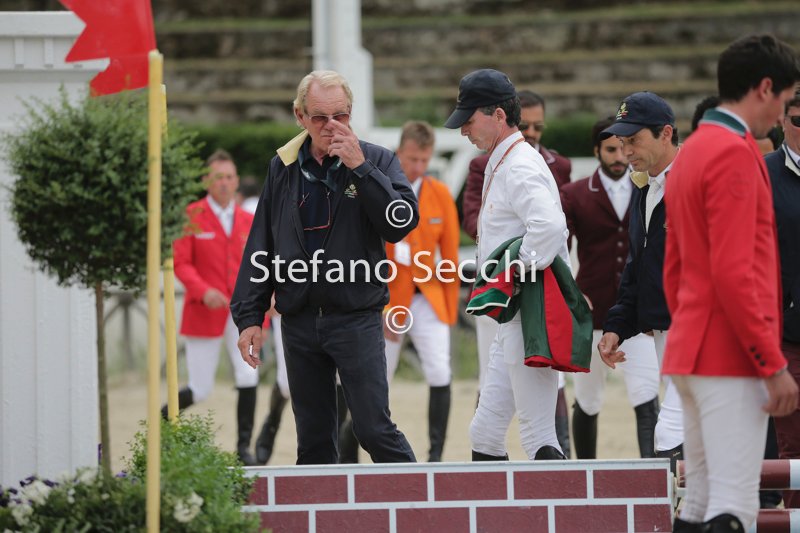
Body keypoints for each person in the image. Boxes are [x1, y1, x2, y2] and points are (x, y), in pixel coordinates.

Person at [230, 70, 418, 465]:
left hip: (356, 316)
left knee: (373, 430)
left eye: (341, 115)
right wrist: (249, 316)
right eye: (319, 117)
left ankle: (423, 500)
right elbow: (261, 242)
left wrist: (361, 168)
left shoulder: (378, 159)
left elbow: (400, 223)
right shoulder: (281, 166)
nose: (332, 125)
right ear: (299, 115)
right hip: (298, 321)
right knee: (313, 445)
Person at [661, 34, 800, 532]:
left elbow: (674, 268)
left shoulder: (693, 149)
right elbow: (736, 272)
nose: (782, 113)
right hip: (731, 354)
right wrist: (770, 360)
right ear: (765, 88)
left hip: (691, 348)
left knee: (697, 501)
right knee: (734, 503)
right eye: (785, 99)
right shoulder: (735, 153)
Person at [445, 68, 570, 461]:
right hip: (514, 317)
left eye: (469, 120)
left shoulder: (518, 164)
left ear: (498, 115)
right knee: (484, 433)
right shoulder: (506, 160)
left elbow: (550, 227)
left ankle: (563, 501)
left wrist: (512, 276)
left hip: (528, 312)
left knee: (538, 434)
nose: (464, 130)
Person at [560, 117, 661, 459]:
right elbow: (559, 249)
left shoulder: (648, 189)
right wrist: (571, 292)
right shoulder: (574, 193)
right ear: (596, 151)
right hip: (591, 312)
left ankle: (653, 476)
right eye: (610, 150)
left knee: (646, 396)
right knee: (587, 401)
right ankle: (585, 474)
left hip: (637, 314)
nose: (619, 157)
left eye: (623, 148)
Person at [596, 91, 685, 467]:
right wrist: (617, 325)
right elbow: (638, 267)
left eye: (634, 140)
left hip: (698, 332)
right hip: (665, 331)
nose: (626, 150)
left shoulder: (694, 183)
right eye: (622, 141)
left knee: (670, 432)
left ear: (665, 133)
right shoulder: (644, 187)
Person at [163, 149, 262, 465]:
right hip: (204, 311)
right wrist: (202, 290)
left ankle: (244, 450)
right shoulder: (191, 216)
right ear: (207, 180)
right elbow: (181, 262)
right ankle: (164, 424)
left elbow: (261, 264)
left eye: (229, 177)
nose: (224, 183)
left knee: (249, 376)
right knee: (200, 388)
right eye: (218, 177)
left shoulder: (250, 220)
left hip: (243, 313)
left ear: (237, 181)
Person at [384, 120, 460, 462]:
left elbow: (451, 255)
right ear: (399, 152)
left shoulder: (440, 193)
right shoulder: (381, 189)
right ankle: (357, 450)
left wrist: (449, 309)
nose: (417, 166)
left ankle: (435, 456)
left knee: (440, 370)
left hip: (429, 297)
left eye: (424, 160)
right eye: (412, 158)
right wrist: (381, 307)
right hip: (389, 298)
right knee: (376, 378)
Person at [765, 89, 800, 509]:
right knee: (793, 446)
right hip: (788, 334)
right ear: (781, 121)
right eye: (798, 120)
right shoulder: (763, 174)